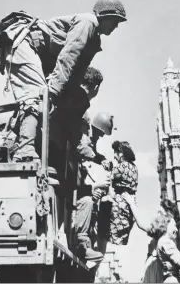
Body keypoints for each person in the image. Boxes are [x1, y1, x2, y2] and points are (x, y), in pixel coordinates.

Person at [0, 0, 126, 162]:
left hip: (37, 55)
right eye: (114, 20)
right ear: (104, 15)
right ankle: (24, 150)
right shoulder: (88, 23)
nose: (115, 26)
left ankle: (3, 149)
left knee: (44, 103)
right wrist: (52, 92)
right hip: (24, 44)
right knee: (36, 98)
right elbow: (69, 57)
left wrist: (64, 99)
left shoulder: (94, 37)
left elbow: (75, 73)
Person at [123, 196, 180, 283]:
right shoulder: (165, 234)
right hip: (159, 269)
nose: (159, 215)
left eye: (162, 212)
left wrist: (132, 204)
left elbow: (141, 223)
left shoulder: (167, 234)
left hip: (161, 271)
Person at [73, 112, 115, 262]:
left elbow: (93, 153)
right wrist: (98, 158)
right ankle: (82, 245)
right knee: (88, 201)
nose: (101, 137)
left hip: (79, 180)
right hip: (72, 181)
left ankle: (87, 244)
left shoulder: (92, 137)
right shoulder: (84, 134)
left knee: (92, 202)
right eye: (101, 133)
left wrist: (102, 159)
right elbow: (82, 148)